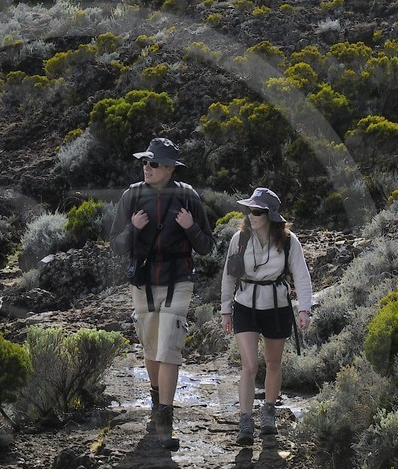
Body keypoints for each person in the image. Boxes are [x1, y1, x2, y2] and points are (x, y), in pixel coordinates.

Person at [109, 135, 213, 448]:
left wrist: (190, 226)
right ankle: (156, 403)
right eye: (144, 161)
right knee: (151, 346)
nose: (146, 167)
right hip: (142, 280)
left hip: (179, 278)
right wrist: (133, 229)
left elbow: (206, 246)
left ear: (169, 168)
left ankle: (166, 418)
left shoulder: (187, 196)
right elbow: (116, 245)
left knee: (169, 346)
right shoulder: (132, 196)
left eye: (153, 163)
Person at [220, 186, 312, 445]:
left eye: (257, 211)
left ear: (270, 215)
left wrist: (305, 308)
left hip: (276, 306)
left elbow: (301, 275)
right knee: (249, 366)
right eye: (249, 210)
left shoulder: (288, 241)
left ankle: (269, 412)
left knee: (273, 363)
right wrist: (226, 309)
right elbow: (228, 277)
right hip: (245, 306)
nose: (251, 215)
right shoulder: (238, 240)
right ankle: (246, 420)